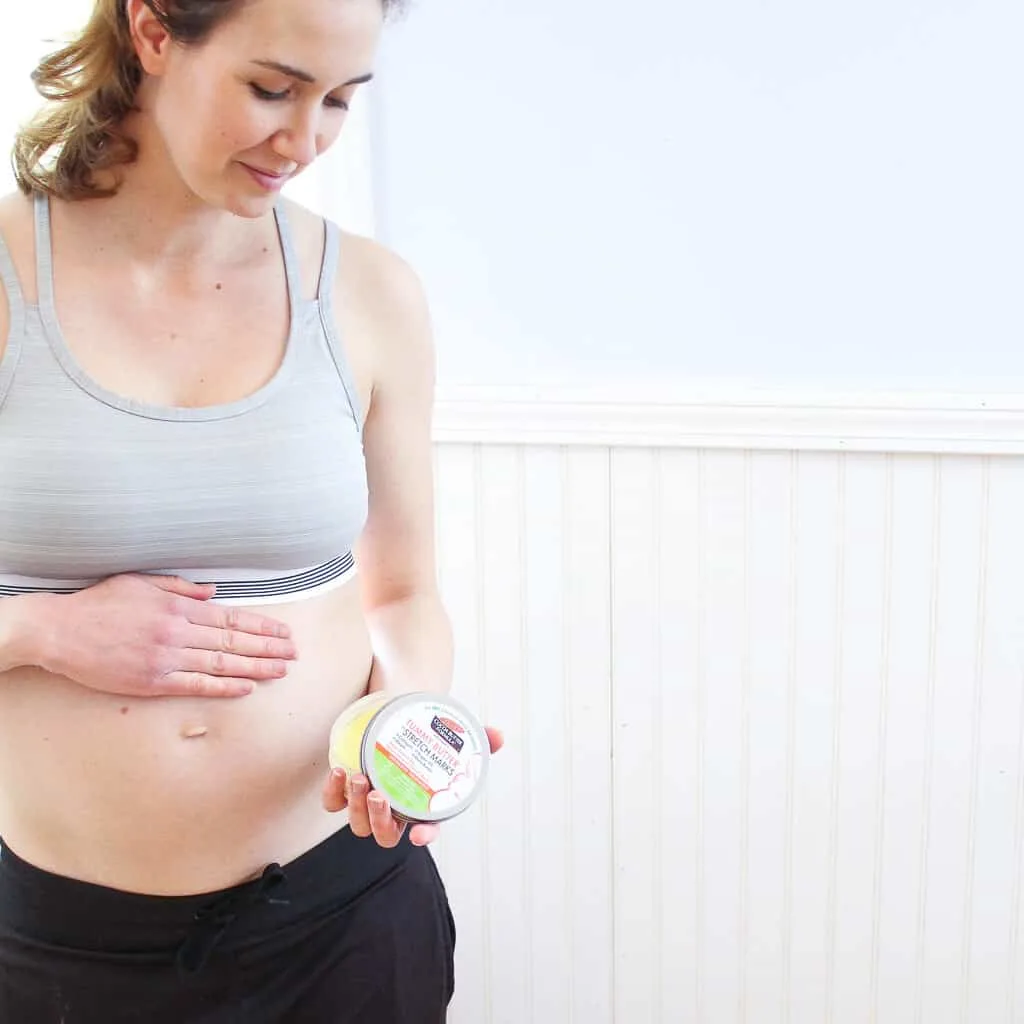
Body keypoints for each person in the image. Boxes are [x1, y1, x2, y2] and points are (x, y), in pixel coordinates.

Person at [0, 0, 501, 1020]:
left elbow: (402, 593)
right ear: (150, 30)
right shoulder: (11, 278)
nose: (303, 139)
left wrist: (401, 715)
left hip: (339, 923)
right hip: (63, 950)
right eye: (271, 88)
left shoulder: (368, 292)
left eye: (338, 102)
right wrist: (41, 629)